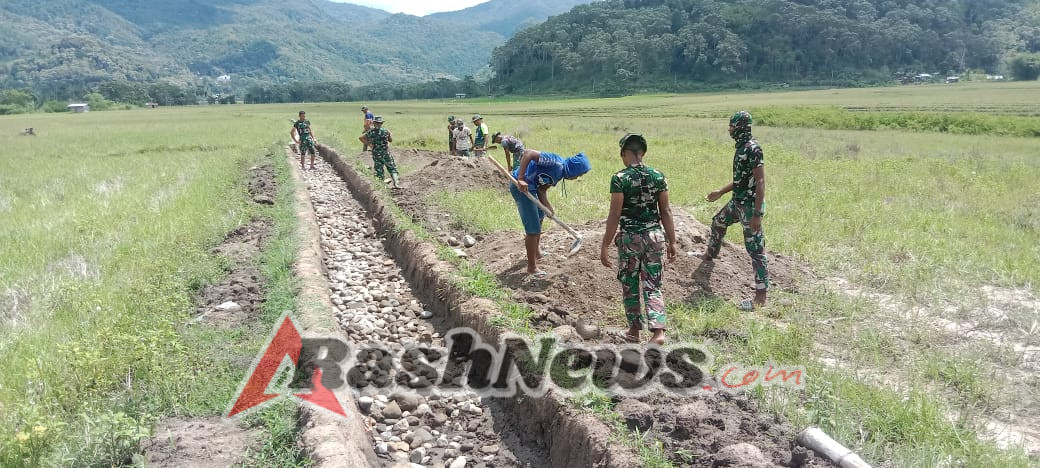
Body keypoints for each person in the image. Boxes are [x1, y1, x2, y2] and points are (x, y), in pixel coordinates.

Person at [600, 134, 677, 346]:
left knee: (630, 283)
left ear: (624, 153)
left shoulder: (620, 178)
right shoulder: (658, 176)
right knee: (653, 284)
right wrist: (672, 241)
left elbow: (615, 214)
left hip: (630, 239)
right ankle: (658, 332)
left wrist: (605, 244)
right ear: (642, 153)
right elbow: (666, 211)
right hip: (655, 237)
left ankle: (634, 330)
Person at [699, 111, 769, 310]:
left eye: (731, 125)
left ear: (740, 127)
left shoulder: (753, 149)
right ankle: (709, 256)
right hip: (737, 202)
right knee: (718, 222)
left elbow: (761, 181)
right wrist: (721, 192)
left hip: (749, 207)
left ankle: (760, 299)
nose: (729, 129)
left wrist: (757, 214)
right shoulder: (741, 148)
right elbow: (742, 180)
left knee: (755, 249)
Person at [510, 149, 592, 278]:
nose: (577, 178)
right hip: (520, 187)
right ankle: (532, 267)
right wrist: (520, 178)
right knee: (532, 229)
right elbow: (528, 153)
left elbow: (542, 189)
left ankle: (537, 252)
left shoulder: (559, 174)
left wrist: (548, 207)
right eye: (579, 174)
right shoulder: (555, 162)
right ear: (574, 169)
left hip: (532, 188)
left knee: (540, 216)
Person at [359, 116, 400, 189]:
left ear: (374, 123)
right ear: (381, 123)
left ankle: (381, 187)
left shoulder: (371, 132)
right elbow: (390, 140)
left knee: (379, 170)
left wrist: (369, 145)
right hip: (386, 152)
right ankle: (396, 184)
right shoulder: (386, 131)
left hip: (376, 153)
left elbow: (361, 138)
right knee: (392, 168)